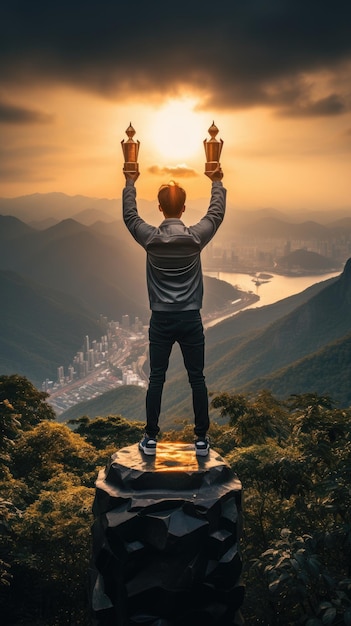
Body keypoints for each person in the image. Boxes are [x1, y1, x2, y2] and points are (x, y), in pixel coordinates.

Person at [122, 164, 226, 456]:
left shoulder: (151, 239)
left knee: (156, 377)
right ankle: (202, 440)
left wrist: (130, 182)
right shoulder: (194, 239)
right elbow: (215, 214)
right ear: (183, 208)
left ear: (159, 208)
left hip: (161, 320)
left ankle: (151, 438)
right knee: (197, 378)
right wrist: (216, 181)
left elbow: (130, 216)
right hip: (191, 318)